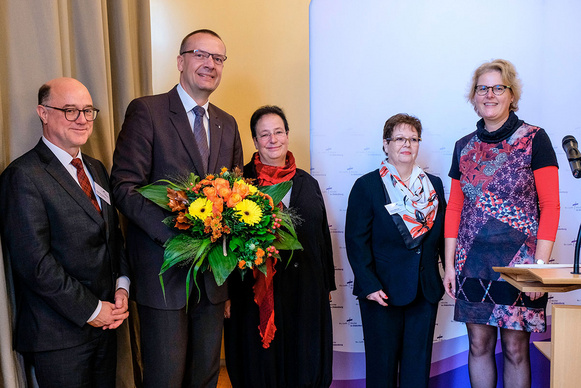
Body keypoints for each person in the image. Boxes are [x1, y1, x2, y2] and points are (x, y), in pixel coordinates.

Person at [110, 29, 243, 388]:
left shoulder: (228, 124)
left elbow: (237, 199)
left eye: (218, 58)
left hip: (212, 281)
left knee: (205, 377)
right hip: (163, 275)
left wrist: (225, 274)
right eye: (201, 55)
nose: (210, 64)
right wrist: (179, 238)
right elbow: (124, 187)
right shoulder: (147, 111)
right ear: (181, 61)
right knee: (164, 379)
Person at [0, 77, 129, 387]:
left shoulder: (96, 168)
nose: (82, 119)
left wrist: (122, 286)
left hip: (107, 325)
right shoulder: (22, 176)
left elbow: (114, 237)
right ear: (43, 113)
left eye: (87, 110)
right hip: (58, 335)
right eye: (70, 110)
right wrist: (92, 309)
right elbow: (35, 264)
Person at [442, 59, 560, 388]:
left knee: (515, 349)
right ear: (474, 96)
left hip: (520, 265)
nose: (489, 95)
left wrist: (540, 268)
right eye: (483, 88)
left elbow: (550, 206)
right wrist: (450, 265)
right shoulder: (463, 147)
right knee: (479, 346)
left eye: (498, 88)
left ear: (511, 95)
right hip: (472, 262)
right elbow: (454, 209)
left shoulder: (534, 138)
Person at [224, 105, 336, 387]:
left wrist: (327, 286)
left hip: (306, 292)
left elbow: (321, 236)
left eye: (278, 132)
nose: (273, 139)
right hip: (253, 294)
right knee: (260, 364)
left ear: (287, 134)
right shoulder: (238, 185)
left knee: (304, 361)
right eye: (264, 135)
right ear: (254, 141)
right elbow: (223, 243)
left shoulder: (307, 183)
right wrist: (223, 295)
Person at [345, 113, 446, 388]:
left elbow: (442, 237)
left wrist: (449, 273)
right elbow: (356, 241)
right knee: (382, 371)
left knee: (417, 372)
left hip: (424, 291)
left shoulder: (434, 186)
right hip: (381, 293)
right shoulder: (367, 186)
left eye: (413, 139)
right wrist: (368, 284)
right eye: (400, 138)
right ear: (386, 144)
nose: (407, 144)